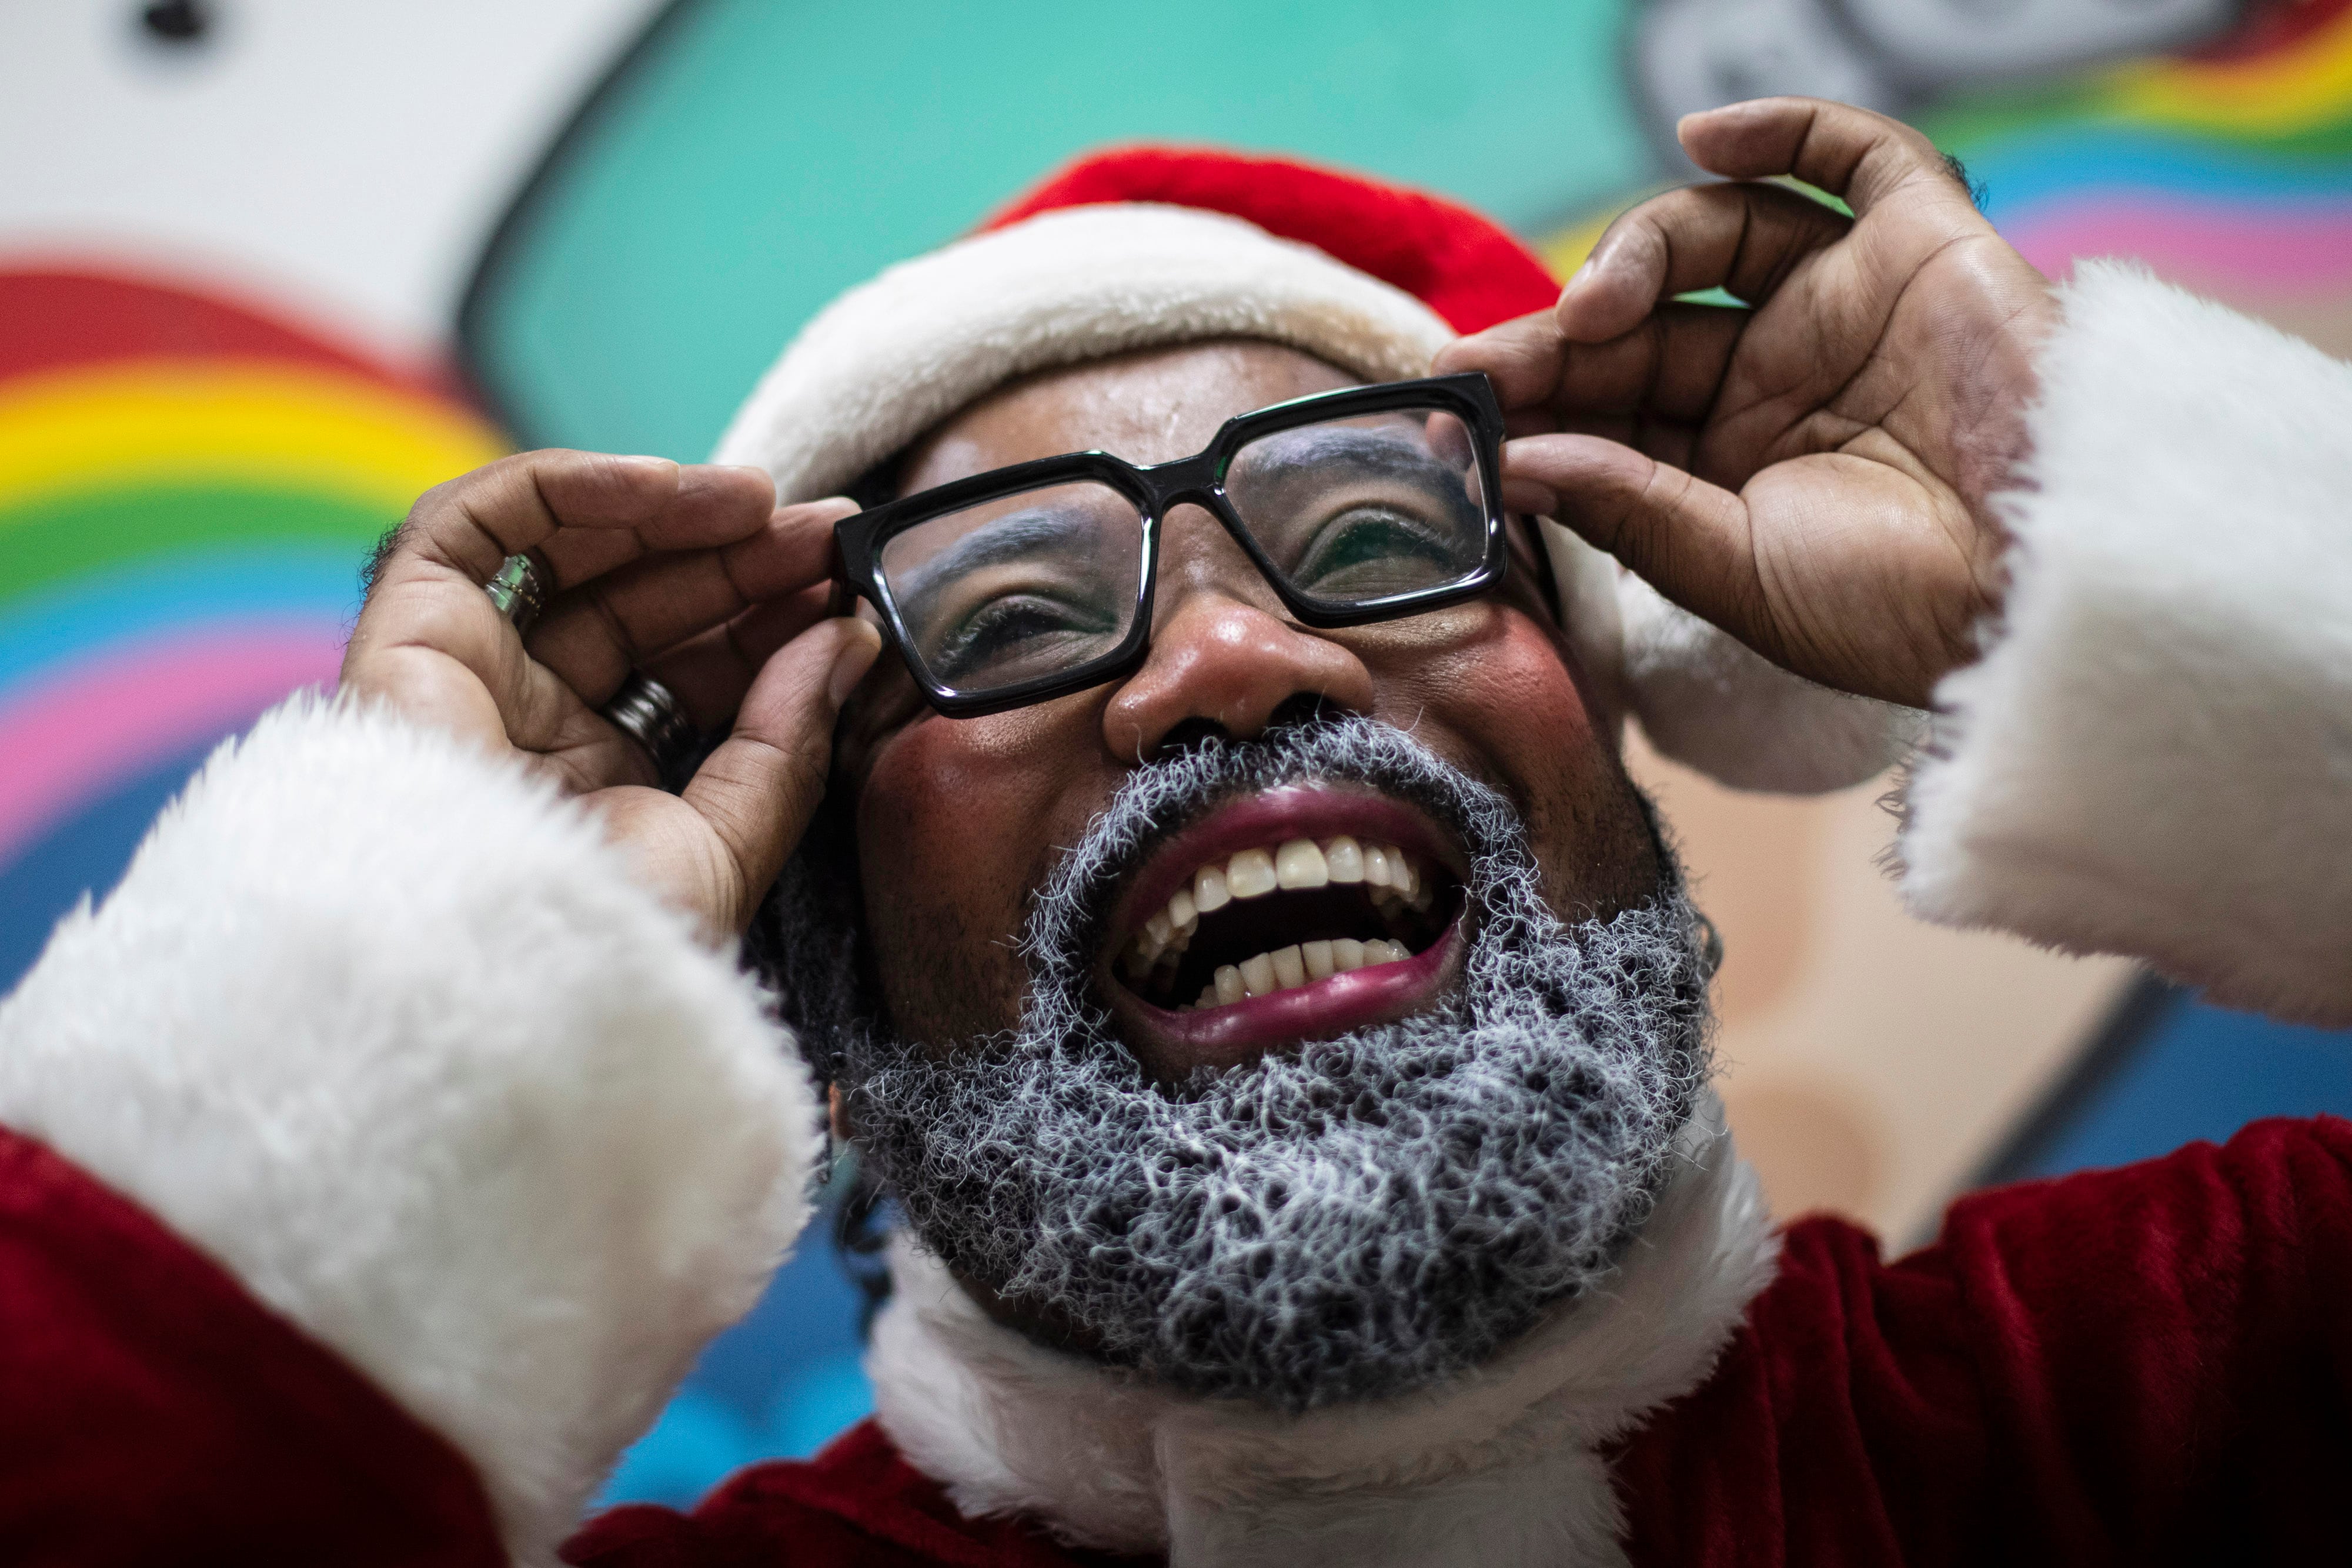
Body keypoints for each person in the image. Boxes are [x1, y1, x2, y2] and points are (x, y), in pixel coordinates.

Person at [1, 96, 2346, 1567]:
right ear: (825, 933)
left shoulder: (2188, 1390)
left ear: (1611, 755)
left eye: (1366, 541)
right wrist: (415, 970)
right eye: (1009, 612)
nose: (1228, 662)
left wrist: (2089, 514)